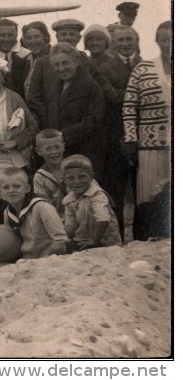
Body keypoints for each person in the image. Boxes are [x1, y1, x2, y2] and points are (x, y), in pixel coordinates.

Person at [123, 20, 171, 240]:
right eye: (164, 39)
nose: (169, 43)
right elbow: (129, 106)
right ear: (157, 41)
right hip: (151, 144)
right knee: (150, 192)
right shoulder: (143, 69)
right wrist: (131, 139)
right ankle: (147, 238)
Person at [32, 43, 105, 172]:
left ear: (76, 62)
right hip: (60, 152)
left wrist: (63, 135)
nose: (61, 68)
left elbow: (95, 120)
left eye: (65, 63)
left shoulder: (91, 86)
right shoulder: (56, 86)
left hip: (85, 152)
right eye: (57, 65)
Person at [97, 25, 141, 237]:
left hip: (145, 136)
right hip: (116, 136)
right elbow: (111, 98)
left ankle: (143, 236)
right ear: (113, 44)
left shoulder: (147, 65)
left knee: (142, 189)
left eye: (128, 39)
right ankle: (119, 237)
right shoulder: (105, 69)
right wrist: (140, 94)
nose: (124, 44)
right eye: (120, 40)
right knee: (116, 190)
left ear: (136, 41)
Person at [0, 167, 68, 259]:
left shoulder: (42, 207)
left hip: (48, 258)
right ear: (1, 192)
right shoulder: (7, 212)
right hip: (25, 259)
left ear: (27, 188)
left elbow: (60, 240)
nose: (11, 190)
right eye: (6, 187)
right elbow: (12, 242)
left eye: (17, 186)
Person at [61, 155, 122, 250]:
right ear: (64, 180)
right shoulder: (68, 200)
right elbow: (71, 226)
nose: (77, 181)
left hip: (107, 244)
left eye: (82, 176)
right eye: (71, 178)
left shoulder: (97, 195)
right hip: (84, 241)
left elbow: (103, 219)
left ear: (91, 177)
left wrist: (94, 241)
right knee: (58, 247)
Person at [0, 19, 31, 97]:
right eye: (2, 35)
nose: (6, 39)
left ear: (16, 36)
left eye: (10, 35)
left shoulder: (26, 58)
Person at [32, 129, 67, 217]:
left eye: (57, 147)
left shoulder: (74, 167)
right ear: (38, 151)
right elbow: (43, 206)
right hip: (54, 220)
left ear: (63, 147)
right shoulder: (39, 177)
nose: (54, 152)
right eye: (48, 149)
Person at [20, 21, 51, 99]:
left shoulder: (56, 59)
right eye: (29, 38)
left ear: (45, 37)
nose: (33, 41)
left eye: (36, 36)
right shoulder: (25, 61)